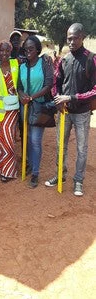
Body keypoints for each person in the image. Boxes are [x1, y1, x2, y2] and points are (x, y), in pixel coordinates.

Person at [45, 23, 96, 196]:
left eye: (75, 38)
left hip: (82, 113)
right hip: (65, 111)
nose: (72, 41)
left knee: (82, 148)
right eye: (69, 38)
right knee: (61, 146)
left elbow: (95, 90)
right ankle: (60, 174)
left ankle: (79, 181)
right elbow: (55, 83)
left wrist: (72, 97)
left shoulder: (91, 59)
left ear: (82, 37)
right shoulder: (64, 59)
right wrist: (58, 99)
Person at [18, 35, 54, 188]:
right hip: (24, 106)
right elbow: (19, 86)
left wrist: (31, 97)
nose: (28, 51)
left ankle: (35, 173)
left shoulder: (44, 63)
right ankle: (30, 164)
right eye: (26, 49)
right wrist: (22, 95)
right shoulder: (21, 66)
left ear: (38, 49)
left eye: (31, 48)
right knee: (25, 137)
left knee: (35, 140)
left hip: (39, 106)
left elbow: (48, 85)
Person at [0, 40, 19, 183]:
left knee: (8, 138)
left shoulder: (16, 64)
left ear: (10, 51)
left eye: (7, 50)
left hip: (12, 109)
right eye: (1, 50)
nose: (4, 53)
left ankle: (8, 170)